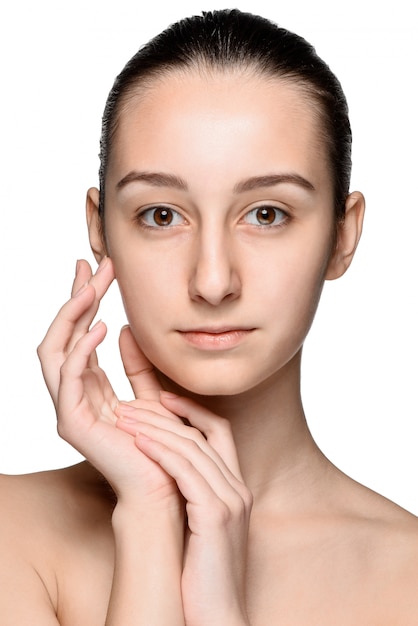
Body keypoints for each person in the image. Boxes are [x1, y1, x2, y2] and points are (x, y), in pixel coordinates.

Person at [1, 8, 417, 625]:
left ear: (342, 235)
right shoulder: (13, 534)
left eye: (267, 214)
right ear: (101, 229)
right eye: (162, 215)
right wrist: (148, 517)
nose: (214, 281)